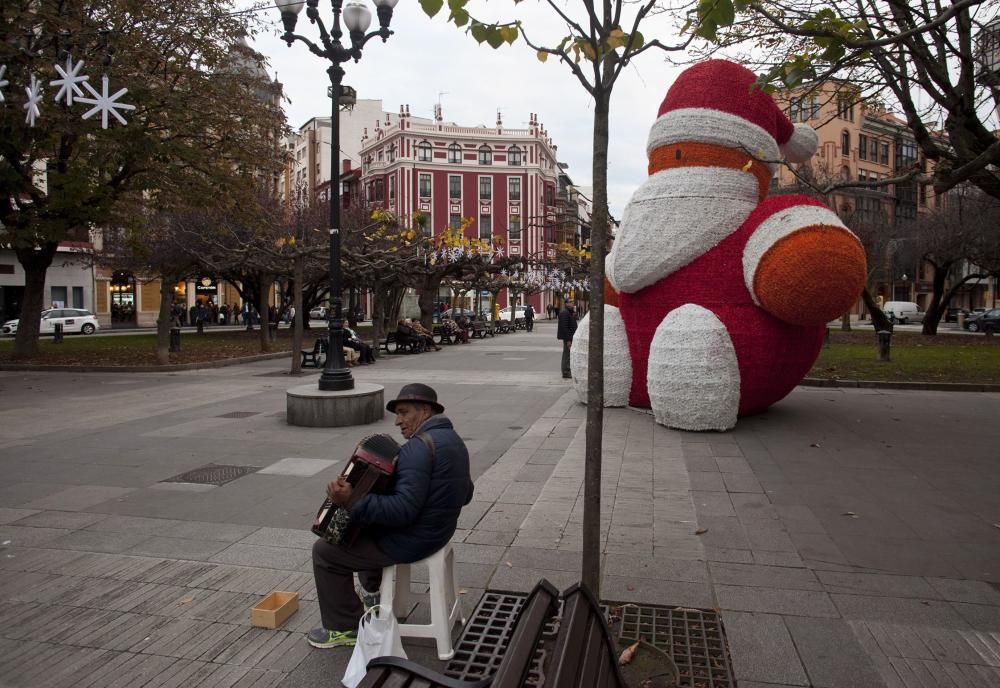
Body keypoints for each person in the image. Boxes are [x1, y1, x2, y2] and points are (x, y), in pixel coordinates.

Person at [308, 384, 474, 649]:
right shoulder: (454, 441)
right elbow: (466, 494)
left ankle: (344, 628)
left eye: (404, 413)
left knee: (325, 552)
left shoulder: (416, 449)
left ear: (425, 410)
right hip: (439, 531)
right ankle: (373, 593)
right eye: (397, 414)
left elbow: (401, 512)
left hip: (415, 540)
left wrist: (351, 499)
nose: (397, 421)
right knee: (364, 523)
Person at [557, 301, 577, 379]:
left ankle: (567, 370)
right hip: (568, 338)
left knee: (568, 354)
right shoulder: (564, 313)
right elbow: (564, 328)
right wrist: (568, 340)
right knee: (567, 355)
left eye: (573, 302)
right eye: (571, 302)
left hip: (570, 337)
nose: (572, 304)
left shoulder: (569, 312)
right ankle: (565, 371)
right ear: (566, 304)